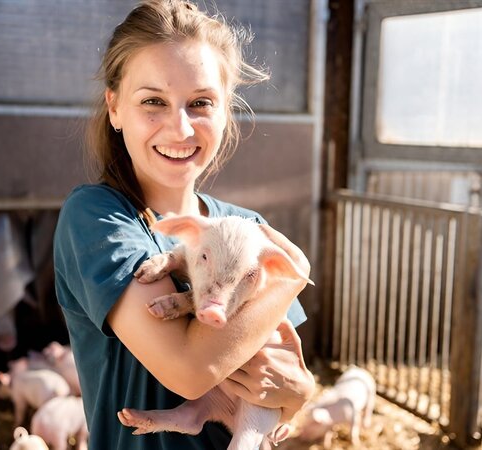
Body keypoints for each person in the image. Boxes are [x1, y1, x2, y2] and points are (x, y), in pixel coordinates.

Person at [52, 1, 315, 448]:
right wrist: (290, 278)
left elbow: (289, 372)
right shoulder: (97, 217)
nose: (179, 128)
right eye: (153, 101)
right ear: (115, 107)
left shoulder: (247, 224)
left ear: (225, 110)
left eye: (200, 103)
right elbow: (191, 370)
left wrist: (302, 393)